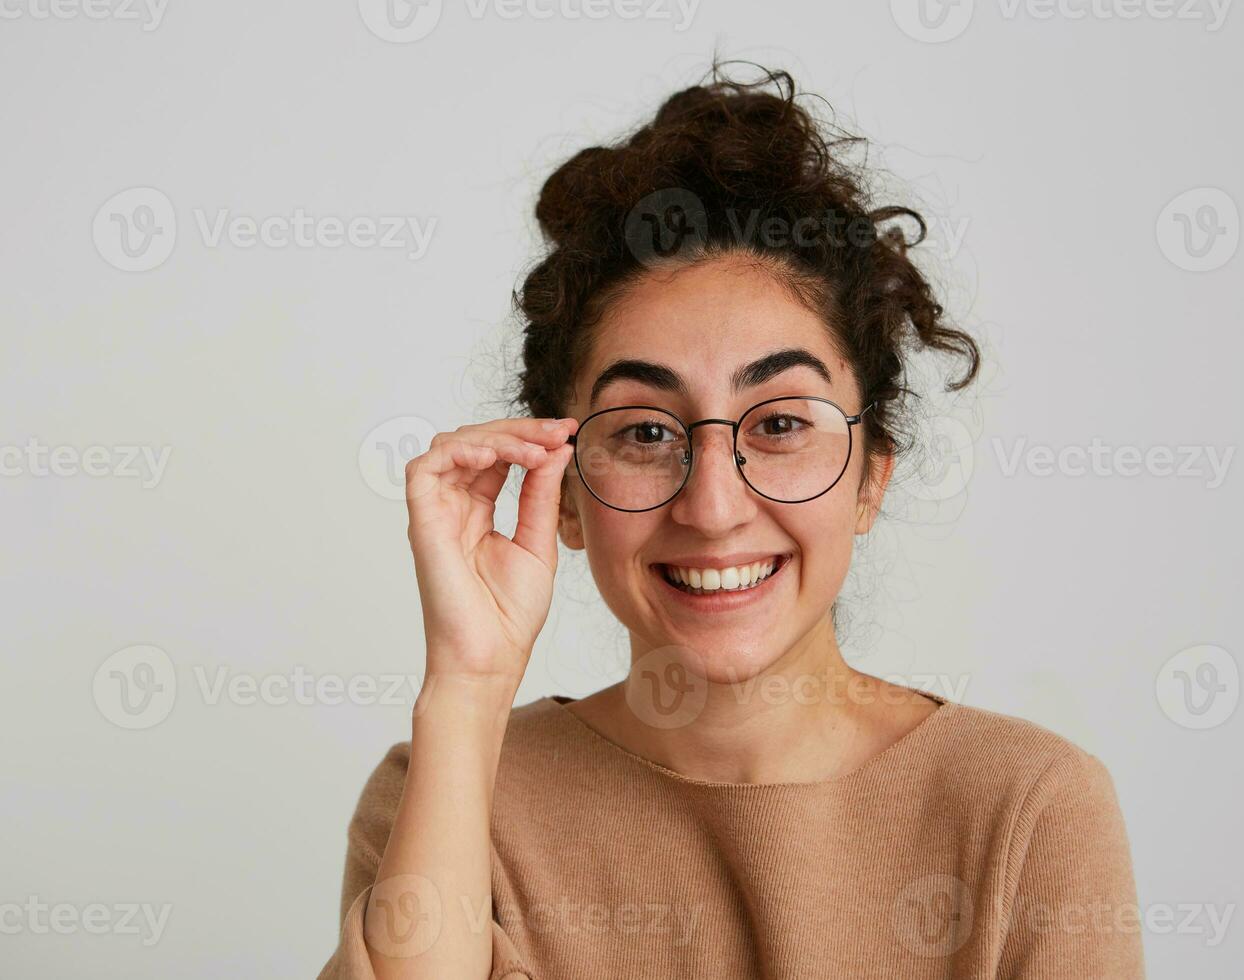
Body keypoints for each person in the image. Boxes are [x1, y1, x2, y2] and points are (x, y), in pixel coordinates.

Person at [317, 63, 1145, 980]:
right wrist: (467, 686)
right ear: (565, 497)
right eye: (642, 431)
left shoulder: (1026, 810)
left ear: (872, 478)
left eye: (782, 424)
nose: (713, 508)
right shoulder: (446, 793)